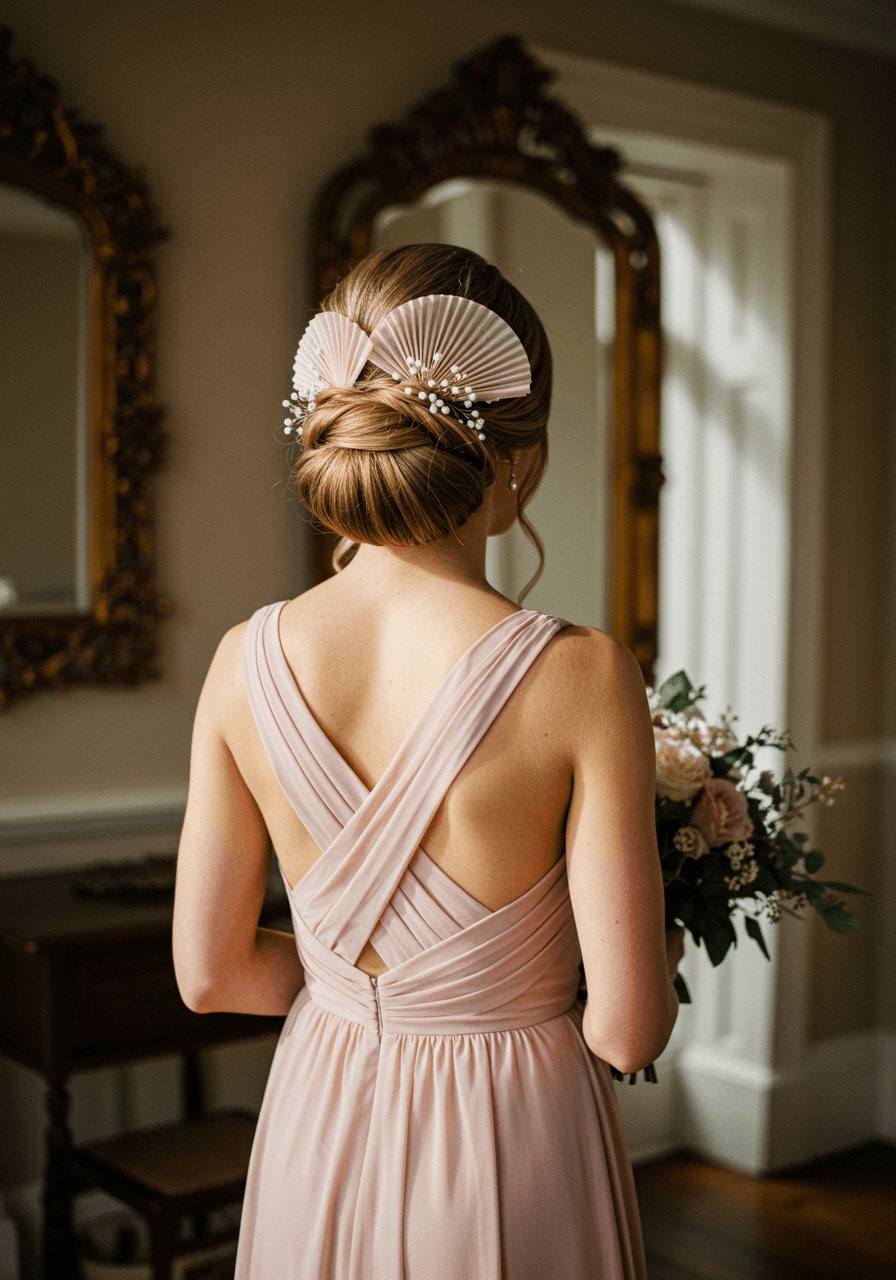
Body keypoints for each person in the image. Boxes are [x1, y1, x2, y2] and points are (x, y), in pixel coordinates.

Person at [173, 243, 684, 1279]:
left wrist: (362, 998)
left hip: (323, 1100)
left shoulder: (241, 661)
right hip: (514, 1120)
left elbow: (211, 972)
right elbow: (627, 1030)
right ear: (519, 459)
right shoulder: (582, 674)